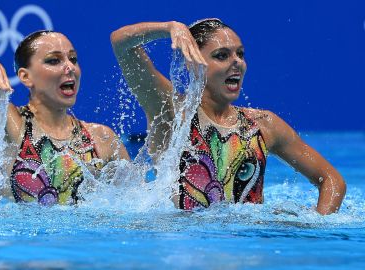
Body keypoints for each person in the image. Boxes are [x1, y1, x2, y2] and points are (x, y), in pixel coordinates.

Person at [110, 19, 346, 215]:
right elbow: (121, 42)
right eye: (222, 55)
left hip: (248, 245)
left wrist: (317, 228)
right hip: (185, 246)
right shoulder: (172, 111)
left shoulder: (263, 125)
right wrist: (169, 28)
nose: (237, 62)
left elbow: (331, 180)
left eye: (240, 54)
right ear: (192, 62)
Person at [0, 30, 130, 205]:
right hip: (19, 248)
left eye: (73, 59)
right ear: (25, 76)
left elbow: (133, 203)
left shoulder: (101, 138)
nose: (69, 67)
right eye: (54, 60)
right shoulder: (6, 119)